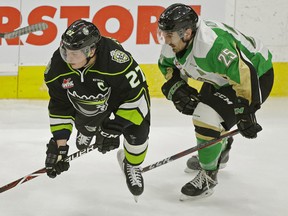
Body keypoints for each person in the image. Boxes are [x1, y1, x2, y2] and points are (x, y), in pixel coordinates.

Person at [157, 3, 274, 200]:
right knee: (209, 116)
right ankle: (220, 147)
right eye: (164, 34)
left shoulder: (213, 46)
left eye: (170, 35)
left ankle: (208, 176)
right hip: (220, 78)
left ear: (187, 32)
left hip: (255, 75)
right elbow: (168, 67)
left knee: (205, 115)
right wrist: (177, 88)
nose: (166, 40)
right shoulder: (175, 42)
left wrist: (245, 112)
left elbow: (244, 73)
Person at [44, 19, 150, 199]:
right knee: (86, 124)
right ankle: (86, 129)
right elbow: (60, 105)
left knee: (137, 136)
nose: (68, 59)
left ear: (91, 50)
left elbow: (138, 96)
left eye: (75, 54)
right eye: (66, 51)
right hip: (88, 99)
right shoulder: (57, 65)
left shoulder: (116, 60)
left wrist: (115, 128)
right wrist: (60, 145)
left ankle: (131, 164)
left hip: (122, 98)